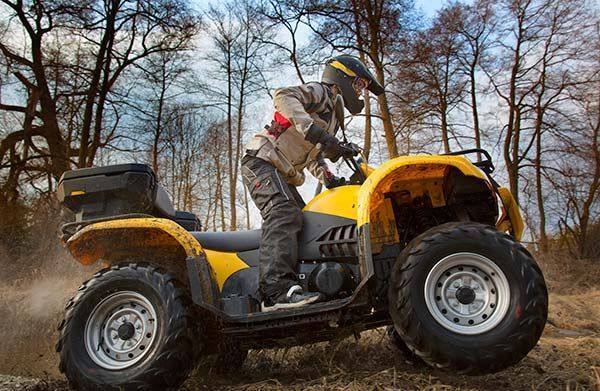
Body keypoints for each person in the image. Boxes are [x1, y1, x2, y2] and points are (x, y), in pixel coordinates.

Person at [241, 55, 384, 311]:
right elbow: (283, 96)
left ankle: (298, 285)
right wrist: (311, 128)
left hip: (279, 171)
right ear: (342, 78)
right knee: (284, 212)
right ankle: (274, 292)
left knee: (306, 220)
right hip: (261, 161)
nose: (360, 92)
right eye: (359, 85)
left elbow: (313, 156)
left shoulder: (330, 117)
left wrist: (330, 178)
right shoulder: (321, 92)